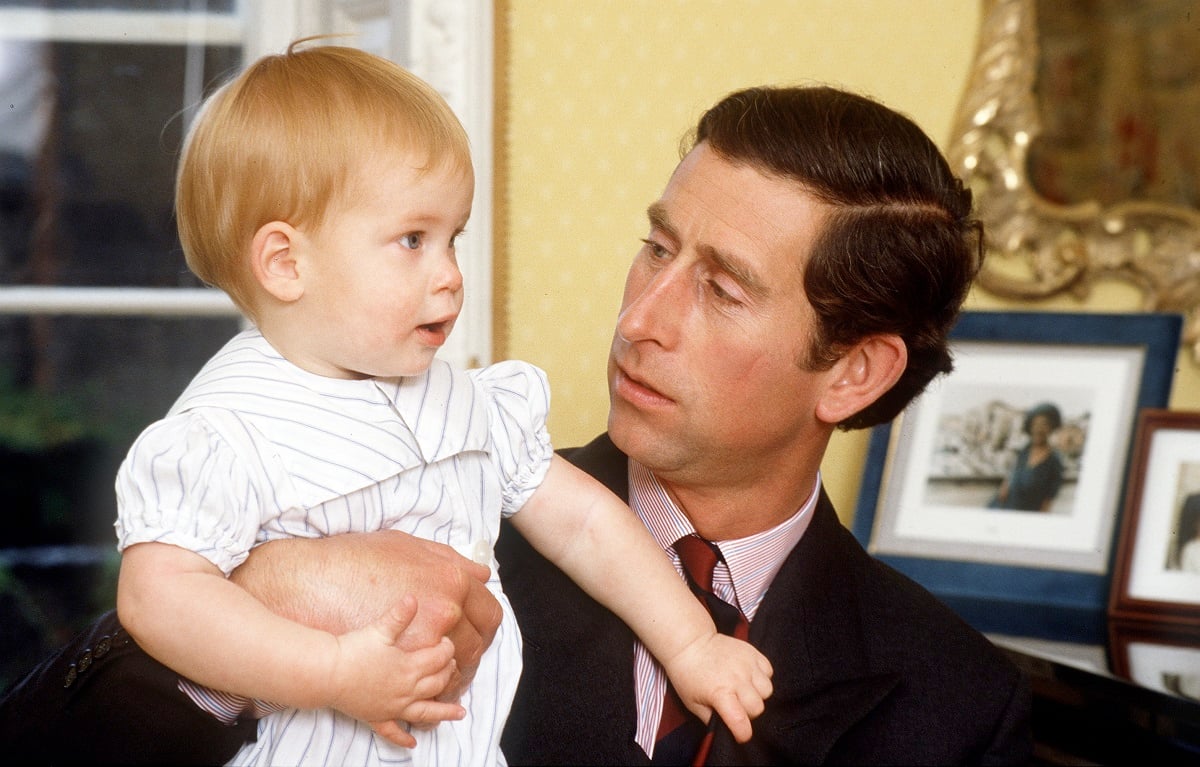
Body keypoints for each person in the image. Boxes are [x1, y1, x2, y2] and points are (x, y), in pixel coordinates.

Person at [0, 83, 1033, 765]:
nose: (639, 318)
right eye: (656, 248)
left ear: (853, 372)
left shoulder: (960, 701)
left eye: (720, 289)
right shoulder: (451, 508)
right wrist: (261, 597)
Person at [988, 402, 1065, 512]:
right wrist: (1005, 487)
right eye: (1035, 425)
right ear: (1030, 427)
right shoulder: (1024, 450)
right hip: (1002, 506)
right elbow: (1013, 474)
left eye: (1044, 424)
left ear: (1051, 428)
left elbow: (1049, 499)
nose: (1039, 429)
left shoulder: (1054, 460)